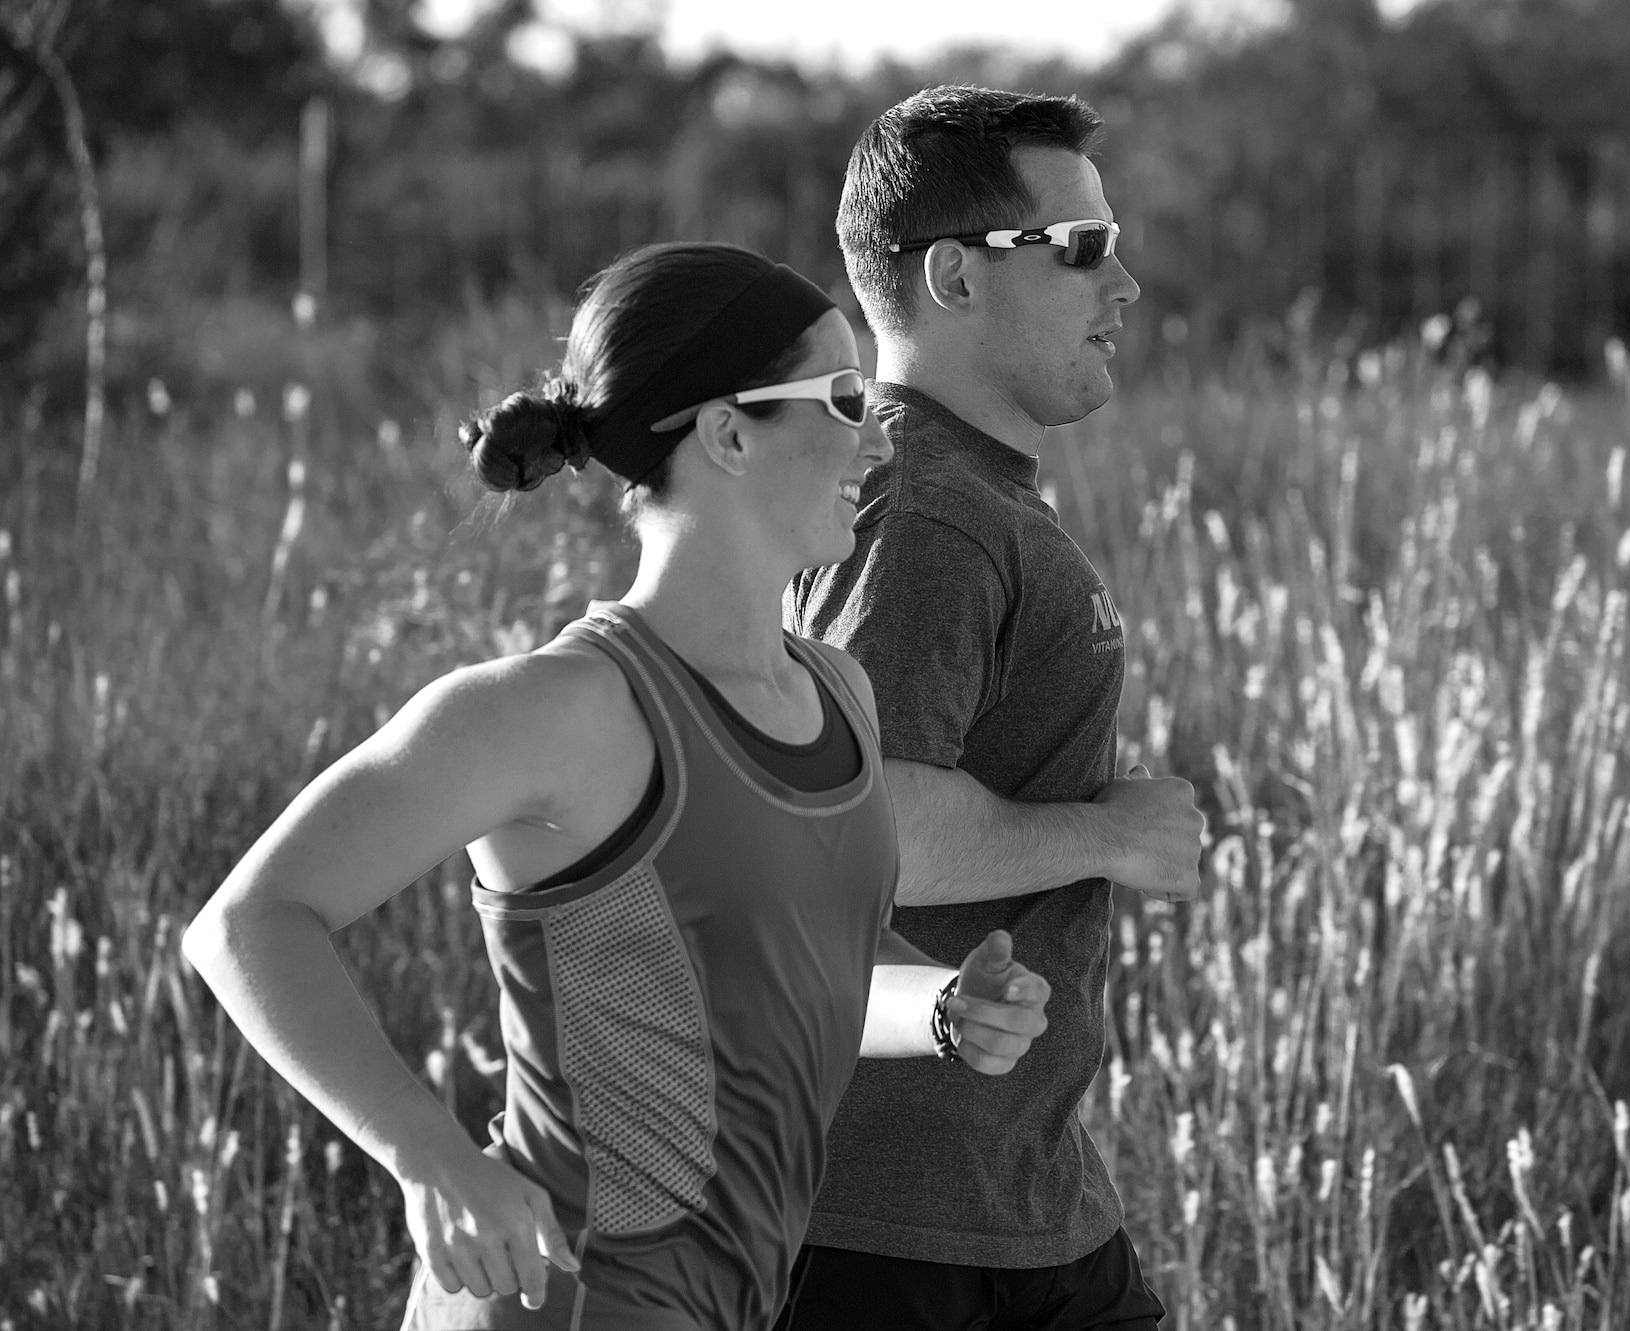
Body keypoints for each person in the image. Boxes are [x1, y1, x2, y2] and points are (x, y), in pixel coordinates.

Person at [182, 241, 1054, 1331]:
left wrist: (941, 1006)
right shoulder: (556, 710)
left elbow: (782, 964)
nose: (879, 435)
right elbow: (250, 920)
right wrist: (430, 1160)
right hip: (558, 1300)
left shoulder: (839, 694)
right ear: (727, 432)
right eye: (841, 397)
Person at [779, 88, 1205, 1330]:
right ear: (953, 278)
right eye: (1079, 250)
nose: (1120, 286)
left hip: (1014, 1197)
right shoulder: (924, 513)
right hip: (879, 1221)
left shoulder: (964, 495)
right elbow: (866, 829)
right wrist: (1107, 835)